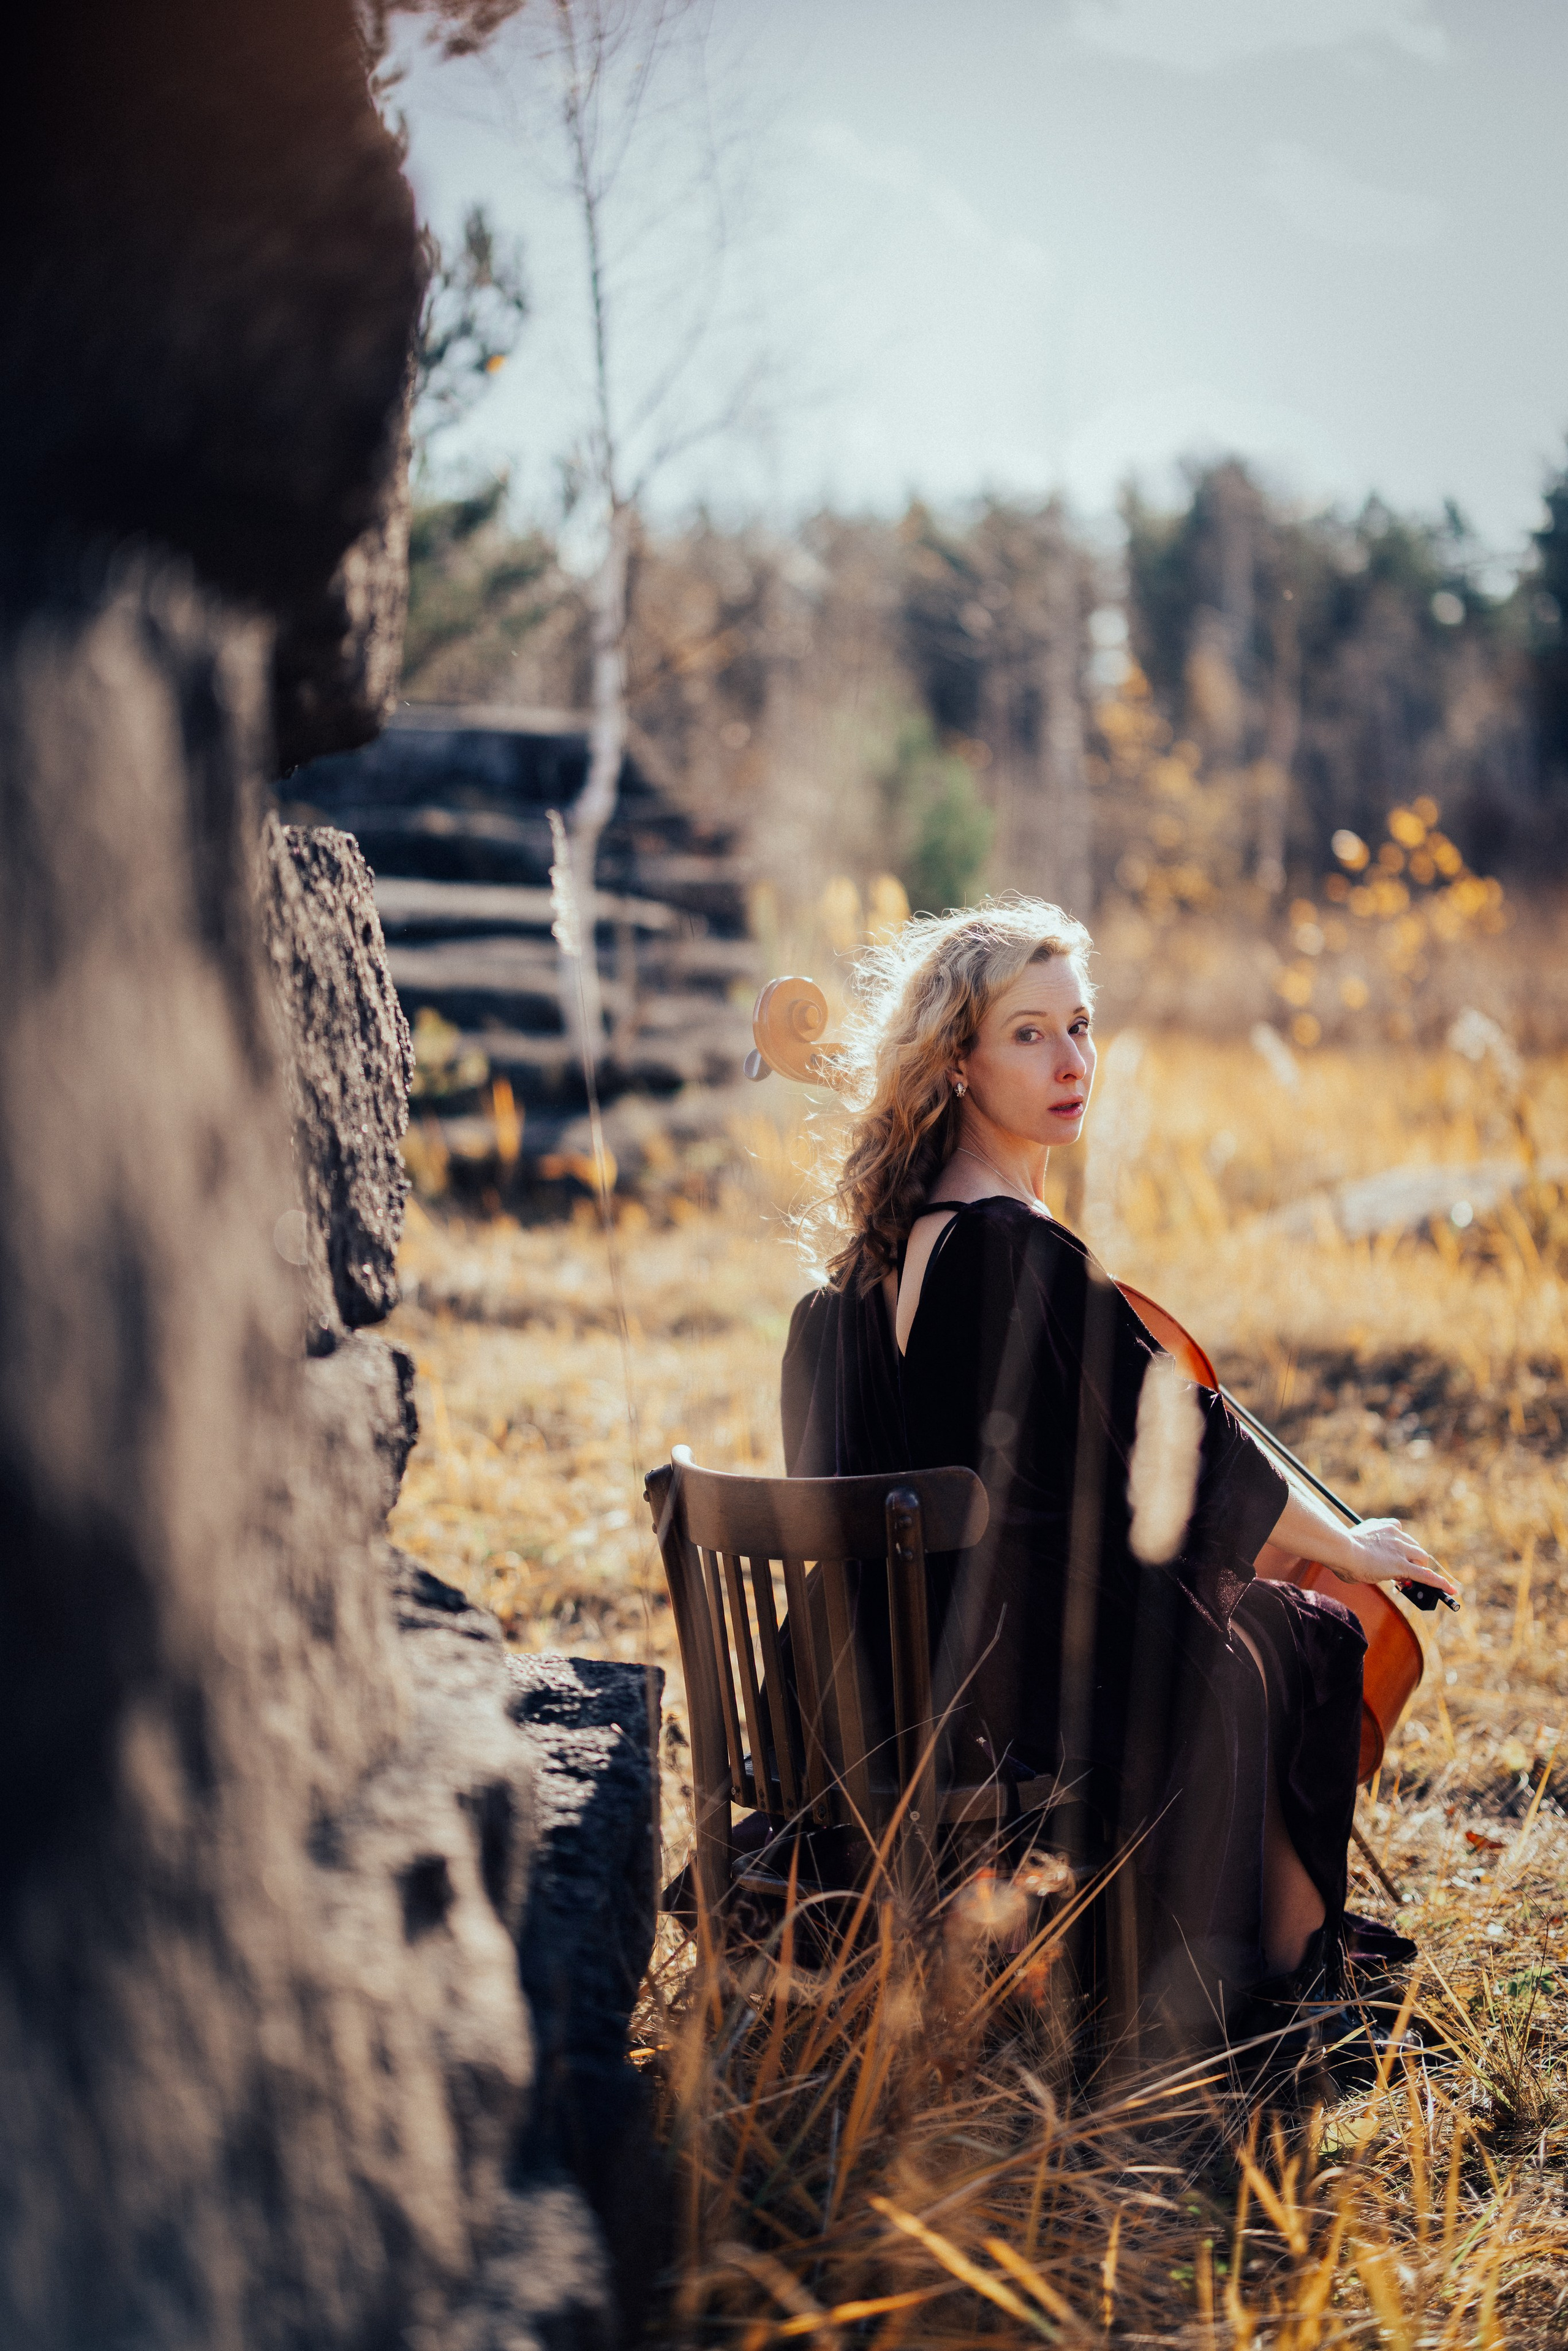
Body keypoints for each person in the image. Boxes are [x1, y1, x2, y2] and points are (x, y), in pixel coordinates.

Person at [781, 900, 1456, 2054]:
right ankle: (1287, 1997)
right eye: (1030, 1033)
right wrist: (1349, 1545)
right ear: (958, 1059)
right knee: (1306, 1631)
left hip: (895, 1686)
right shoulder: (1013, 1246)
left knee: (1251, 1617)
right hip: (1010, 1698)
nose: (1072, 1061)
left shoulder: (869, 1268)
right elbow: (1181, 1440)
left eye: (1082, 1026)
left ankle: (1278, 1978)